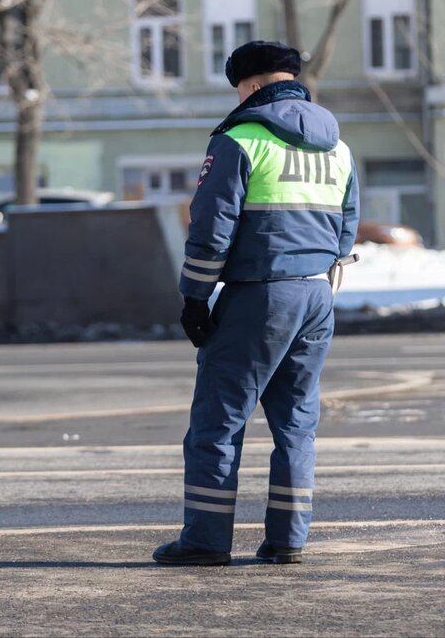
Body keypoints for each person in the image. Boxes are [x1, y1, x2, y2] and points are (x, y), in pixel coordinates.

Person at [152, 41, 359, 566]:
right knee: (296, 423)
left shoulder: (241, 139)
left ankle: (205, 540)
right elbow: (346, 226)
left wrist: (194, 299)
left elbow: (211, 227)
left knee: (218, 423)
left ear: (252, 86)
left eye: (239, 88)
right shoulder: (337, 147)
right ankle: (287, 539)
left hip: (260, 295)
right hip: (317, 293)